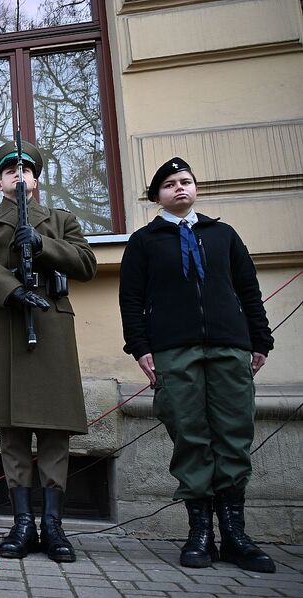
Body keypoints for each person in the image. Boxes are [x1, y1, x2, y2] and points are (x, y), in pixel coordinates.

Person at [119, 157, 275, 573]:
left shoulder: (223, 235)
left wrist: (260, 340)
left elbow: (248, 289)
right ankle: (200, 534)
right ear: (158, 196)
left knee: (234, 435)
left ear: (196, 188)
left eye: (186, 181)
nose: (180, 188)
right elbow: (131, 299)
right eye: (170, 184)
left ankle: (236, 536)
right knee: (190, 436)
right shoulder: (144, 241)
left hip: (229, 347)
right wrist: (140, 347)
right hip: (173, 351)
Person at [0, 140, 97, 562]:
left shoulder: (61, 219)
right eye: (11, 170)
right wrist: (12, 289)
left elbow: (86, 263)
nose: (20, 175)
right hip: (2, 329)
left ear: (36, 179)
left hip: (49, 329)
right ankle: (21, 523)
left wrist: (43, 242)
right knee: (11, 430)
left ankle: (52, 525)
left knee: (55, 430)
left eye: (27, 170)